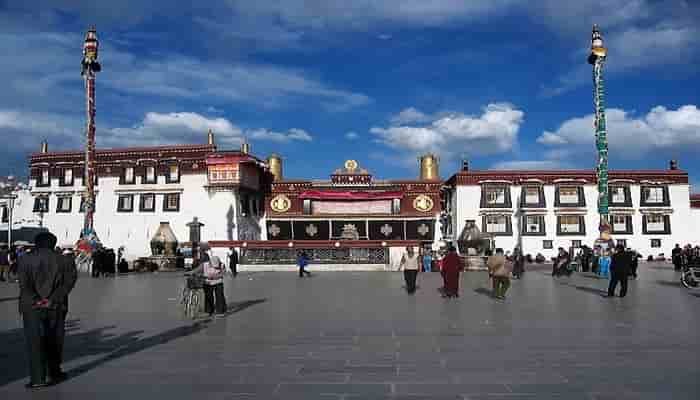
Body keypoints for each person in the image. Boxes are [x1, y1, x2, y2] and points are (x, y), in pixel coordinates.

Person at [18, 232, 78, 389]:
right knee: (56, 339)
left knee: (35, 341)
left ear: (36, 243)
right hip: (56, 306)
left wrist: (37, 299)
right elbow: (69, 282)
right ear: (53, 243)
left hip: (31, 307)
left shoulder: (25, 259)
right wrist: (52, 299)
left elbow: (24, 285)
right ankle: (55, 371)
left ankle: (38, 378)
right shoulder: (65, 260)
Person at [192, 243, 226, 317]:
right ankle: (209, 311)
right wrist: (190, 272)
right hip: (207, 282)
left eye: (216, 267)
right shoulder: (205, 264)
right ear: (210, 263)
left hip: (218, 282)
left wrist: (214, 277)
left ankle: (220, 311)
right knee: (208, 296)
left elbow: (222, 274)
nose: (215, 268)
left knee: (219, 296)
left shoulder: (222, 265)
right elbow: (196, 270)